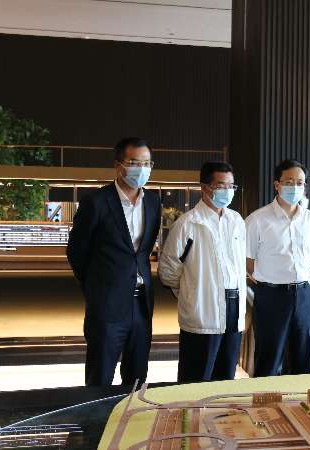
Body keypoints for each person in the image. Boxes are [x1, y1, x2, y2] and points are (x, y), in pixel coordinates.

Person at [66, 137, 162, 386]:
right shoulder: (96, 202)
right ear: (118, 165)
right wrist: (96, 287)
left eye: (147, 163)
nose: (142, 169)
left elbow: (143, 251)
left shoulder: (153, 202)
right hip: (106, 305)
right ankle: (99, 414)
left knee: (137, 377)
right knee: (100, 376)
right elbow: (77, 252)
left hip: (141, 304)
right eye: (134, 163)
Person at [158, 162, 246, 383]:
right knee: (196, 380)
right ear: (205, 188)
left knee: (225, 377)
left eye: (231, 186)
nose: (227, 191)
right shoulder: (188, 223)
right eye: (221, 186)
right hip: (201, 311)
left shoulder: (236, 220)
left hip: (234, 308)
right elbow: (168, 270)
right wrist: (192, 294)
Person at [245, 159, 310, 376]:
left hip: (304, 294)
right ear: (276, 185)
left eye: (300, 182)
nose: (295, 187)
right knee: (268, 360)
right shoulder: (257, 219)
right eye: (289, 182)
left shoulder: (309, 218)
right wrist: (268, 279)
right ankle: (264, 399)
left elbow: (308, 258)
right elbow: (247, 261)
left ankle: (301, 398)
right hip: (271, 295)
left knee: (303, 359)